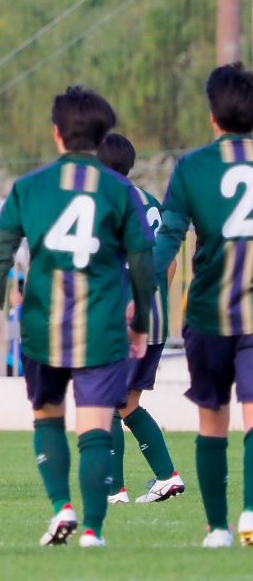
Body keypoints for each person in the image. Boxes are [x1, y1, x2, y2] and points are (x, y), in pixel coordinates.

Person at [0, 86, 154, 549]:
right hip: (101, 326)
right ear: (101, 136)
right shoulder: (120, 190)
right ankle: (93, 530)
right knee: (95, 430)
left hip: (43, 324)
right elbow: (143, 260)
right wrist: (140, 323)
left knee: (48, 419)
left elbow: (1, 254)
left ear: (57, 133)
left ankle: (62, 507)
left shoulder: (29, 186)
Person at [152, 64, 253, 548]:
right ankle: (252, 510)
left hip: (209, 314)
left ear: (213, 115)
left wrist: (139, 295)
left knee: (213, 420)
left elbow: (168, 237)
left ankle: (218, 528)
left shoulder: (192, 167)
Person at [96, 132, 184, 505]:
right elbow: (171, 260)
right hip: (157, 320)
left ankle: (115, 490)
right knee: (126, 402)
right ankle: (167, 477)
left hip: (123, 320)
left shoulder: (105, 202)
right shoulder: (150, 202)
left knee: (107, 402)